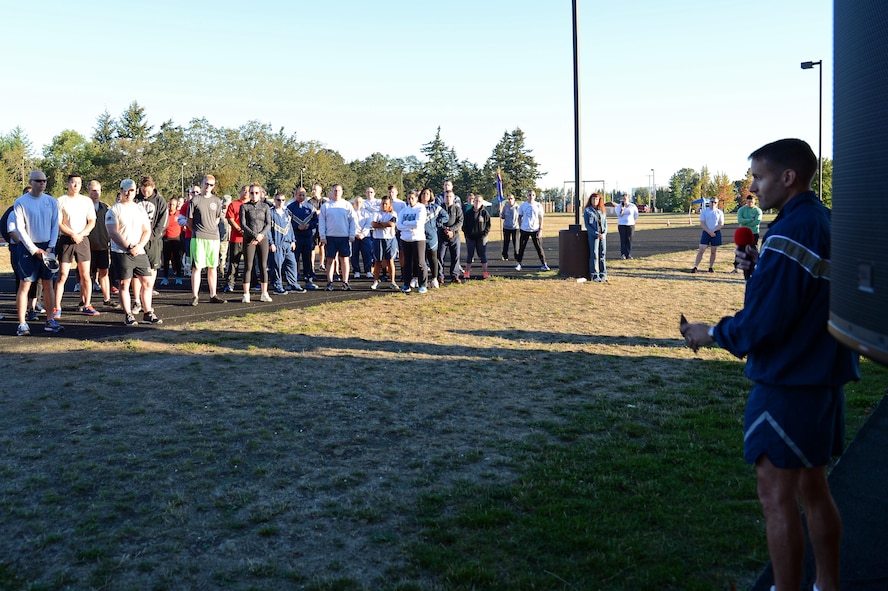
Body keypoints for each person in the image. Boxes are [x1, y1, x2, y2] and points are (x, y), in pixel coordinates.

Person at [681, 138, 859, 591]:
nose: (754, 188)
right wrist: (754, 270)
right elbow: (797, 297)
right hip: (820, 375)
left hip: (788, 382)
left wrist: (712, 332)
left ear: (787, 177)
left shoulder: (789, 232)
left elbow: (767, 321)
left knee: (776, 497)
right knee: (813, 489)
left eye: (759, 178)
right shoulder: (820, 221)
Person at [10, 170, 63, 335]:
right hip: (28, 247)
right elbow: (20, 229)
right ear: (31, 182)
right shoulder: (20, 202)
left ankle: (50, 320)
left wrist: (50, 247)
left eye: (44, 181)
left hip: (48, 246)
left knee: (48, 284)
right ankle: (22, 324)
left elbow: (55, 225)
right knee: (25, 284)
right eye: (38, 181)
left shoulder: (51, 201)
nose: (42, 184)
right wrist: (34, 249)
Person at [105, 179, 162, 326]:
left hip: (139, 251)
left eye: (131, 190)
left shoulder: (139, 209)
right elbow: (113, 232)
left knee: (147, 282)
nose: (128, 193)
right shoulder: (114, 210)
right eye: (126, 190)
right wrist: (128, 246)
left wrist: (140, 245)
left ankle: (148, 312)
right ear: (121, 190)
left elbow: (147, 230)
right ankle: (128, 314)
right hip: (121, 251)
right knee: (124, 284)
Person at [53, 173, 98, 318]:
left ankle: (87, 304)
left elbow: (92, 221)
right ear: (68, 184)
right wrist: (72, 234)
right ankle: (56, 307)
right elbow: (59, 223)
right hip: (67, 240)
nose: (75, 185)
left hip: (83, 240)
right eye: (73, 183)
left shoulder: (86, 201)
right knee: (62, 275)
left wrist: (81, 234)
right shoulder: (61, 201)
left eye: (78, 183)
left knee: (86, 275)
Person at [187, 175, 226, 306]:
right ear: (202, 183)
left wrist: (211, 229)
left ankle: (213, 294)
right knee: (197, 267)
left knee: (212, 267)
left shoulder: (217, 201)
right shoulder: (195, 200)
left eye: (211, 185)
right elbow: (189, 221)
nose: (208, 187)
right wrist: (198, 231)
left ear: (214, 186)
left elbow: (217, 219)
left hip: (213, 238)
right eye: (206, 184)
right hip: (198, 237)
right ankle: (195, 296)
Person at [132, 175, 168, 314]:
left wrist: (151, 237)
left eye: (148, 191)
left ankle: (147, 301)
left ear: (153, 187)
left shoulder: (160, 201)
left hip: (153, 242)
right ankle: (136, 300)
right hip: (137, 241)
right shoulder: (135, 200)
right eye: (143, 190)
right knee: (136, 272)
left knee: (152, 270)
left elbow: (163, 223)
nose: (145, 193)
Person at [85, 180, 117, 308]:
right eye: (93, 190)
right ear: (88, 191)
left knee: (104, 273)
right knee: (86, 275)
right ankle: (85, 301)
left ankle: (107, 299)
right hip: (87, 247)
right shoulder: (84, 207)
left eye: (98, 190)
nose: (96, 193)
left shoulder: (106, 207)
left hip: (102, 246)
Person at [318, 184, 356, 291]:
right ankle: (330, 282)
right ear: (331, 191)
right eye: (335, 190)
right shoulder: (326, 206)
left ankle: (345, 282)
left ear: (342, 192)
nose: (337, 192)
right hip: (330, 237)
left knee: (344, 260)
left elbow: (352, 221)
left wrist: (352, 234)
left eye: (339, 190)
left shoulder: (347, 205)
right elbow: (322, 222)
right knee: (330, 260)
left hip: (344, 237)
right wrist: (322, 235)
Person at [239, 183, 273, 302]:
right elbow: (243, 224)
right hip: (249, 239)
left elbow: (268, 223)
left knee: (263, 266)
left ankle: (264, 292)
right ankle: (246, 294)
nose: (254, 195)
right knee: (248, 266)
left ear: (260, 194)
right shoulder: (244, 207)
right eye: (251, 193)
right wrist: (254, 235)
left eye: (256, 193)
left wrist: (261, 235)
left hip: (262, 238)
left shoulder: (265, 207)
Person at [268, 192, 304, 294]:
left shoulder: (287, 212)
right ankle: (277, 286)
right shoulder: (270, 213)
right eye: (278, 200)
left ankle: (293, 284)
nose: (280, 202)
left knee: (292, 264)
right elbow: (268, 230)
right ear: (274, 201)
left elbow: (290, 227)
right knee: (277, 266)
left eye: (283, 200)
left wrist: (293, 240)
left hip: (288, 243)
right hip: (277, 244)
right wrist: (271, 243)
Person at [287, 186, 319, 290]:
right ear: (295, 195)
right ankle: (292, 281)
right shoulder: (290, 208)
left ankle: (308, 280)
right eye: (299, 195)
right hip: (295, 238)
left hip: (307, 237)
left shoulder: (310, 208)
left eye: (303, 195)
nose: (302, 197)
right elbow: (287, 222)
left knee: (307, 259)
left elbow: (316, 221)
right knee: (293, 260)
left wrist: (309, 226)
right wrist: (297, 226)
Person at [396, 190, 428, 293]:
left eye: (412, 198)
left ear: (416, 198)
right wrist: (408, 225)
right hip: (405, 239)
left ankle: (423, 284)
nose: (410, 200)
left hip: (418, 239)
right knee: (407, 263)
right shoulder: (404, 210)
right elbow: (399, 225)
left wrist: (406, 223)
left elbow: (418, 223)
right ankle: (406, 284)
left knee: (420, 262)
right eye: (408, 198)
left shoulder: (421, 208)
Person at [369, 193, 399, 291]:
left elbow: (391, 224)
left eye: (386, 204)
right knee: (377, 261)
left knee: (390, 260)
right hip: (378, 239)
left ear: (390, 204)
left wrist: (380, 223)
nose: (384, 206)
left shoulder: (393, 214)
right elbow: (373, 224)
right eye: (383, 204)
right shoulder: (376, 213)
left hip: (389, 238)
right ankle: (376, 281)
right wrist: (383, 224)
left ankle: (392, 281)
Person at [420, 187, 448, 289]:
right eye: (423, 193)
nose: (425, 195)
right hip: (419, 236)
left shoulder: (435, 207)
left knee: (433, 258)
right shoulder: (417, 207)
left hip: (431, 236)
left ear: (430, 195)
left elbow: (445, 216)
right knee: (420, 260)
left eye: (427, 194)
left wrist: (437, 223)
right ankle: (421, 280)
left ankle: (434, 279)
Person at [515, 189, 549, 271]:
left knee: (539, 247)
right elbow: (519, 217)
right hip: (525, 229)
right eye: (529, 195)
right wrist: (520, 227)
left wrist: (541, 229)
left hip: (535, 229)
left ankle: (544, 264)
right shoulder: (523, 205)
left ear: (535, 196)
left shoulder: (538, 205)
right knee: (521, 248)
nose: (531, 197)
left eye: (533, 195)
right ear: (527, 196)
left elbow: (541, 218)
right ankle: (518, 264)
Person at [223, 185, 248, 293]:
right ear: (240, 191)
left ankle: (251, 283)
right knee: (233, 262)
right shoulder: (234, 204)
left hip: (249, 239)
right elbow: (230, 219)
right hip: (236, 238)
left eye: (248, 191)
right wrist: (239, 229)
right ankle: (230, 283)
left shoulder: (253, 205)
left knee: (250, 263)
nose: (246, 193)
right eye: (244, 191)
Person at [437, 188, 464, 284]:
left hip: (454, 236)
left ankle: (455, 276)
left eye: (450, 197)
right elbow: (437, 221)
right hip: (442, 235)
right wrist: (445, 229)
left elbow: (460, 221)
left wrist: (452, 230)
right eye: (446, 197)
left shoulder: (457, 209)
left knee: (455, 256)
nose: (448, 198)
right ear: (443, 198)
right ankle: (440, 276)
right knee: (440, 256)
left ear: (454, 198)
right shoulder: (439, 209)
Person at [692, 197, 724, 273]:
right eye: (712, 202)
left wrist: (713, 231)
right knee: (701, 249)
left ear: (717, 203)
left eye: (715, 202)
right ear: (709, 202)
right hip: (706, 232)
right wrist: (709, 231)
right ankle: (696, 266)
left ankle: (710, 267)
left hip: (715, 232)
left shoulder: (719, 212)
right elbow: (702, 223)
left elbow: (721, 224)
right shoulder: (705, 211)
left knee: (713, 251)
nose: (713, 204)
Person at [463, 193, 491, 280]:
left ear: (481, 202)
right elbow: (464, 226)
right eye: (475, 201)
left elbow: (488, 225)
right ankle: (467, 272)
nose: (477, 203)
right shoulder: (468, 213)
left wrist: (484, 234)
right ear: (473, 201)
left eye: (479, 201)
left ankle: (485, 272)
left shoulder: (484, 213)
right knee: (470, 255)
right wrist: (468, 234)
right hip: (470, 237)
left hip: (481, 238)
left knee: (482, 255)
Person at [583, 192, 608, 282]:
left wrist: (604, 233)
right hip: (593, 236)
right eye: (593, 199)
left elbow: (605, 223)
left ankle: (603, 274)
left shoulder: (602, 210)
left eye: (597, 199)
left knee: (602, 254)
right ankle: (594, 274)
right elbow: (587, 225)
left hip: (602, 236)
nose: (595, 201)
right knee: (594, 254)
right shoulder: (587, 211)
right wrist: (596, 233)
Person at [160, 196, 183, 286]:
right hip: (166, 239)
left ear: (176, 205)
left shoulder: (179, 214)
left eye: (173, 204)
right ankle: (165, 278)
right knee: (166, 260)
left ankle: (178, 277)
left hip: (177, 239)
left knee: (178, 259)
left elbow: (182, 225)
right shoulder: (165, 214)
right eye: (170, 204)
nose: (171, 206)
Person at [350, 195, 374, 279]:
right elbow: (351, 224)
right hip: (354, 235)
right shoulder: (351, 212)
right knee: (354, 253)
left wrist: (363, 234)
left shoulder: (367, 213)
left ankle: (368, 270)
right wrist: (356, 233)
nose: (358, 203)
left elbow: (368, 224)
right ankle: (356, 270)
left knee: (367, 253)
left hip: (365, 236)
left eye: (360, 202)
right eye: (356, 202)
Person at [615, 193, 638, 259]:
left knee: (629, 239)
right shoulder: (619, 206)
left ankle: (629, 254)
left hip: (630, 225)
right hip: (622, 225)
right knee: (623, 240)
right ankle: (623, 254)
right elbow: (618, 215)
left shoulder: (632, 206)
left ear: (628, 199)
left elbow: (636, 215)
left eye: (625, 198)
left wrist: (632, 220)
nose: (624, 200)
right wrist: (622, 209)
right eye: (623, 198)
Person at [500, 194, 519, 260]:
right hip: (506, 227)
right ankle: (505, 255)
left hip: (515, 227)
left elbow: (520, 217)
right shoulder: (505, 207)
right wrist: (500, 212)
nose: (510, 200)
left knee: (515, 242)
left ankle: (517, 256)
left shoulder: (517, 207)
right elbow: (502, 216)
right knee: (506, 242)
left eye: (511, 199)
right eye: (509, 199)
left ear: (514, 199)